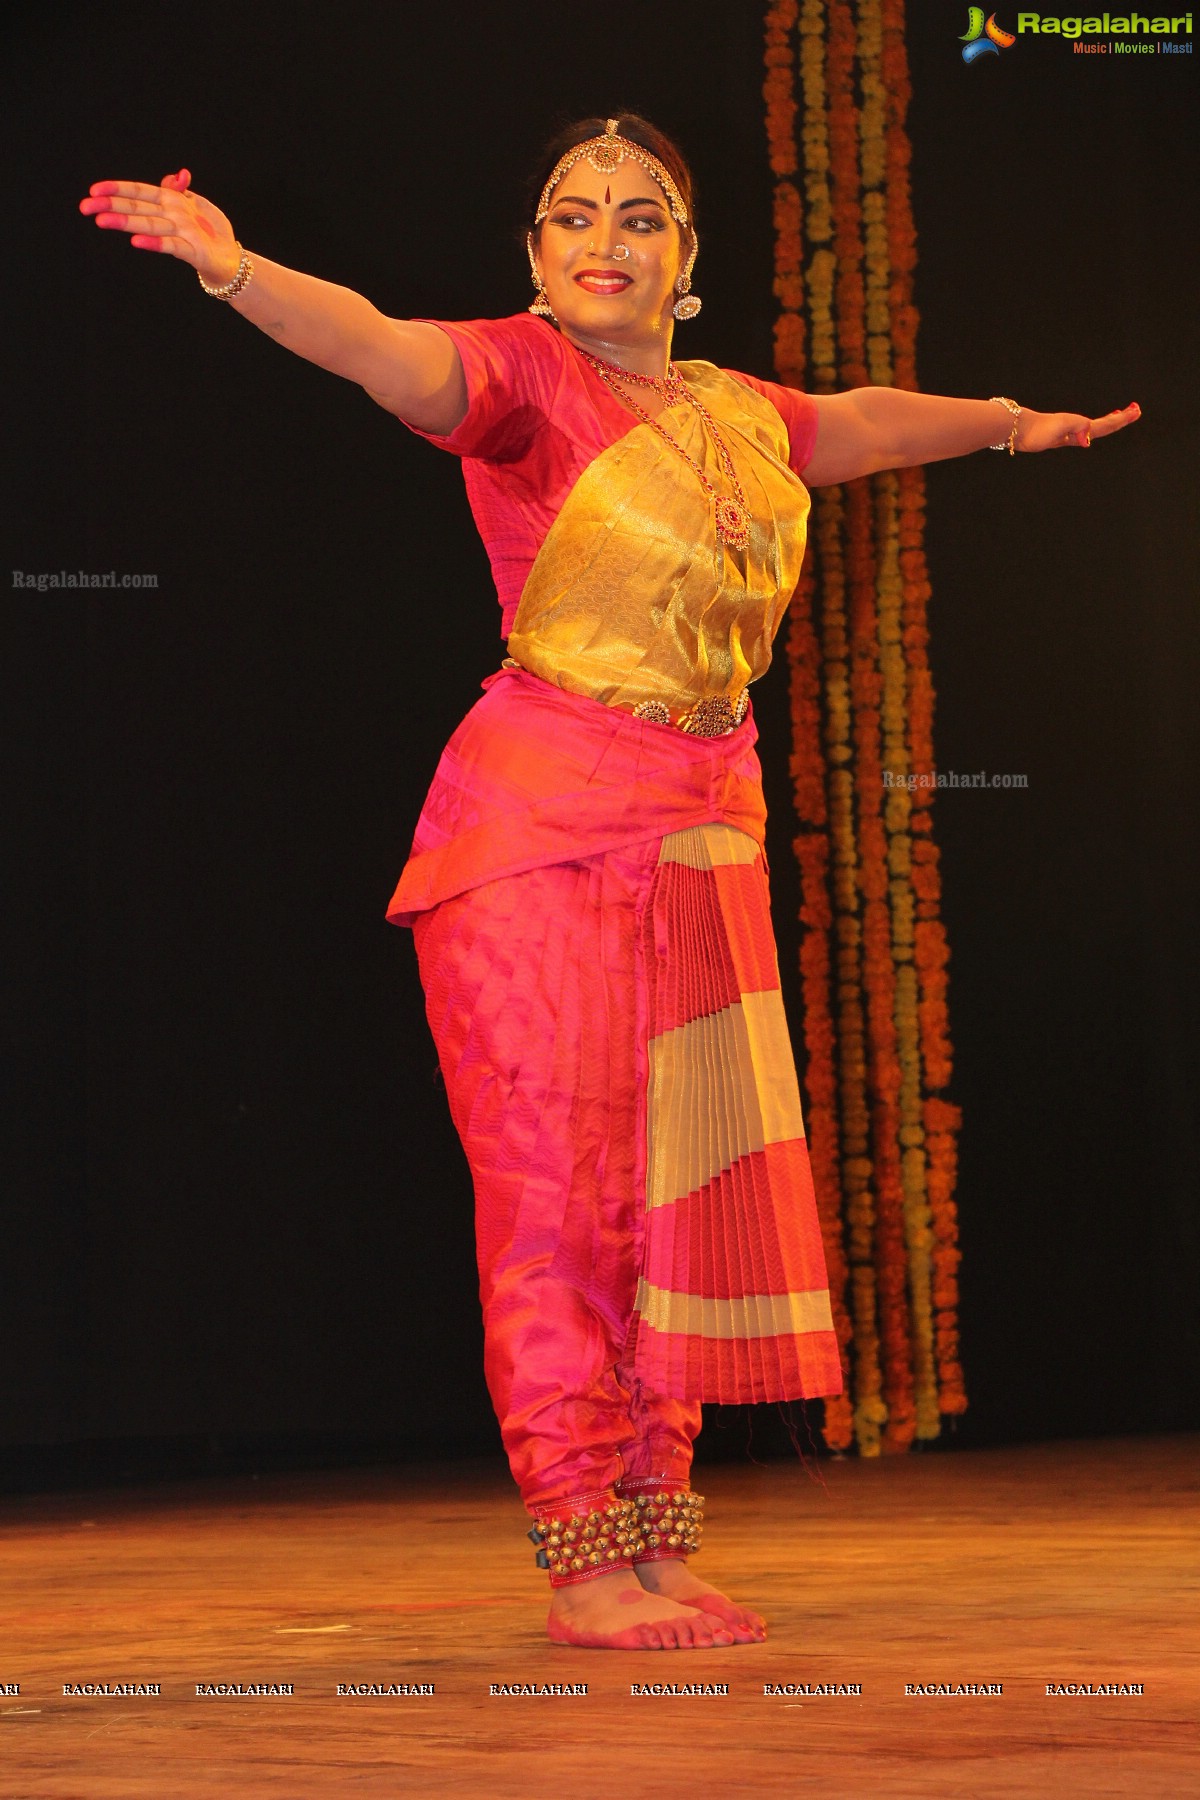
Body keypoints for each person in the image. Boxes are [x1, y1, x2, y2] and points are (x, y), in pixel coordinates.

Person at [79, 113, 1140, 1653]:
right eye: (573, 213)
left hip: (703, 832)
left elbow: (856, 420)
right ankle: (584, 1552)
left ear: (686, 262)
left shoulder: (730, 411)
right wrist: (235, 271)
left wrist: (1005, 422)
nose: (605, 237)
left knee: (676, 1200)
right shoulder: (517, 376)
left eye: (640, 217)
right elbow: (380, 347)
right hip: (542, 830)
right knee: (561, 1204)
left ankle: (652, 1532)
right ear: (532, 252)